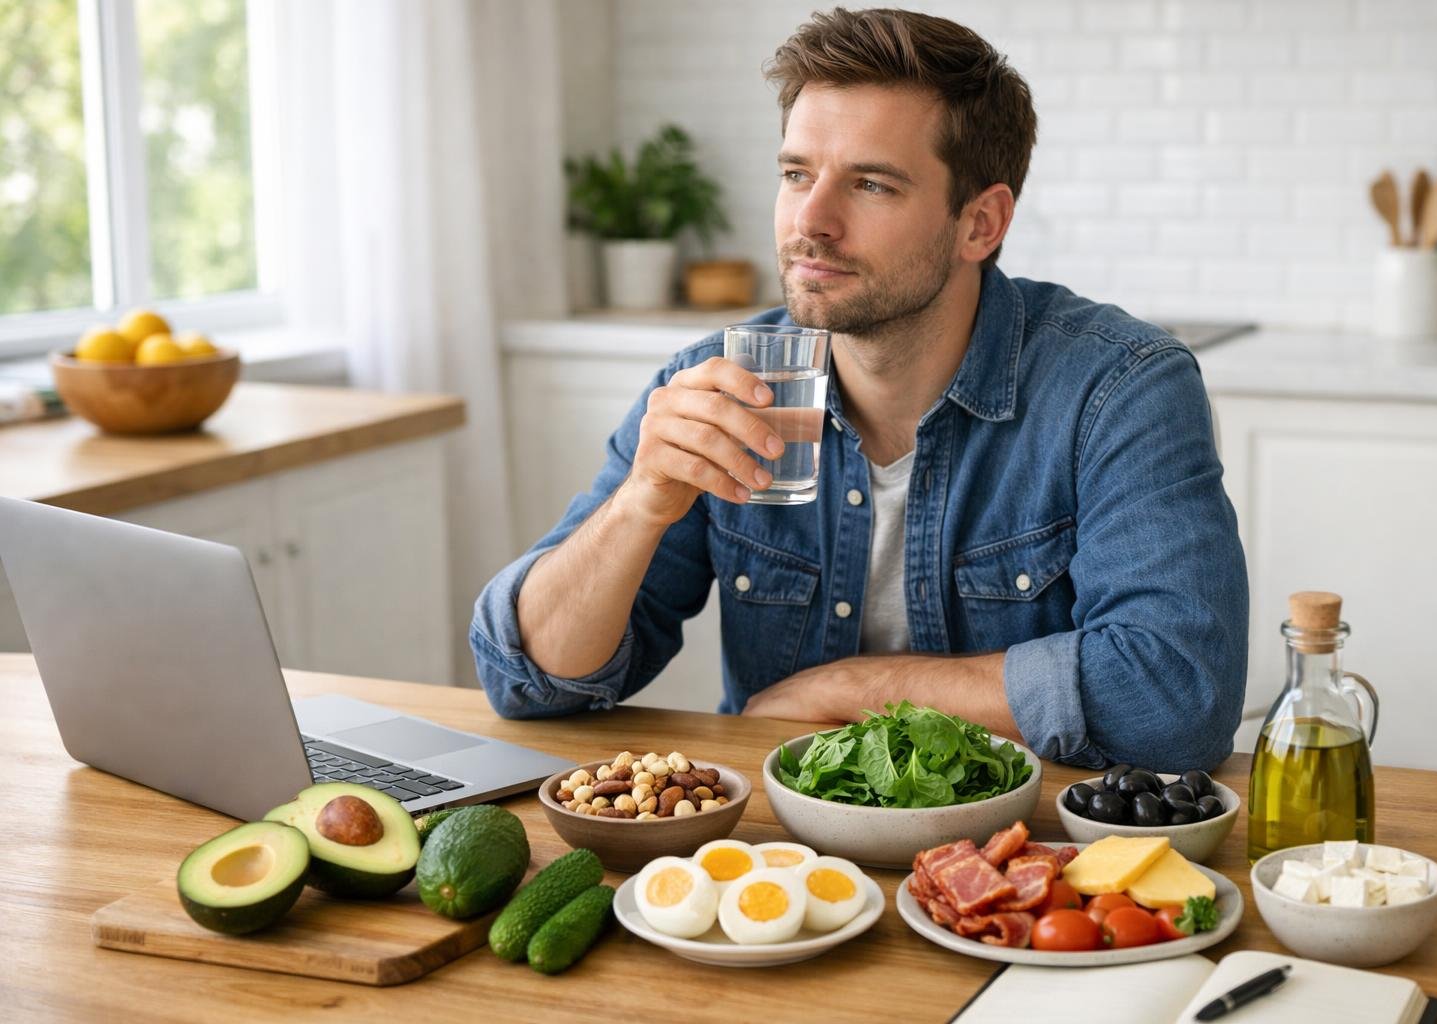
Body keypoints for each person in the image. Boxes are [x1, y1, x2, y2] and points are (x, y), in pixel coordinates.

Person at [471, 7, 1247, 770]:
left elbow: (1175, 695)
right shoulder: (716, 384)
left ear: (981, 223)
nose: (811, 220)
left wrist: (851, 688)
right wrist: (638, 505)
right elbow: (527, 681)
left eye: (871, 184)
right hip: (775, 863)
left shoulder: (1118, 390)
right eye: (795, 173)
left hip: (1024, 857)